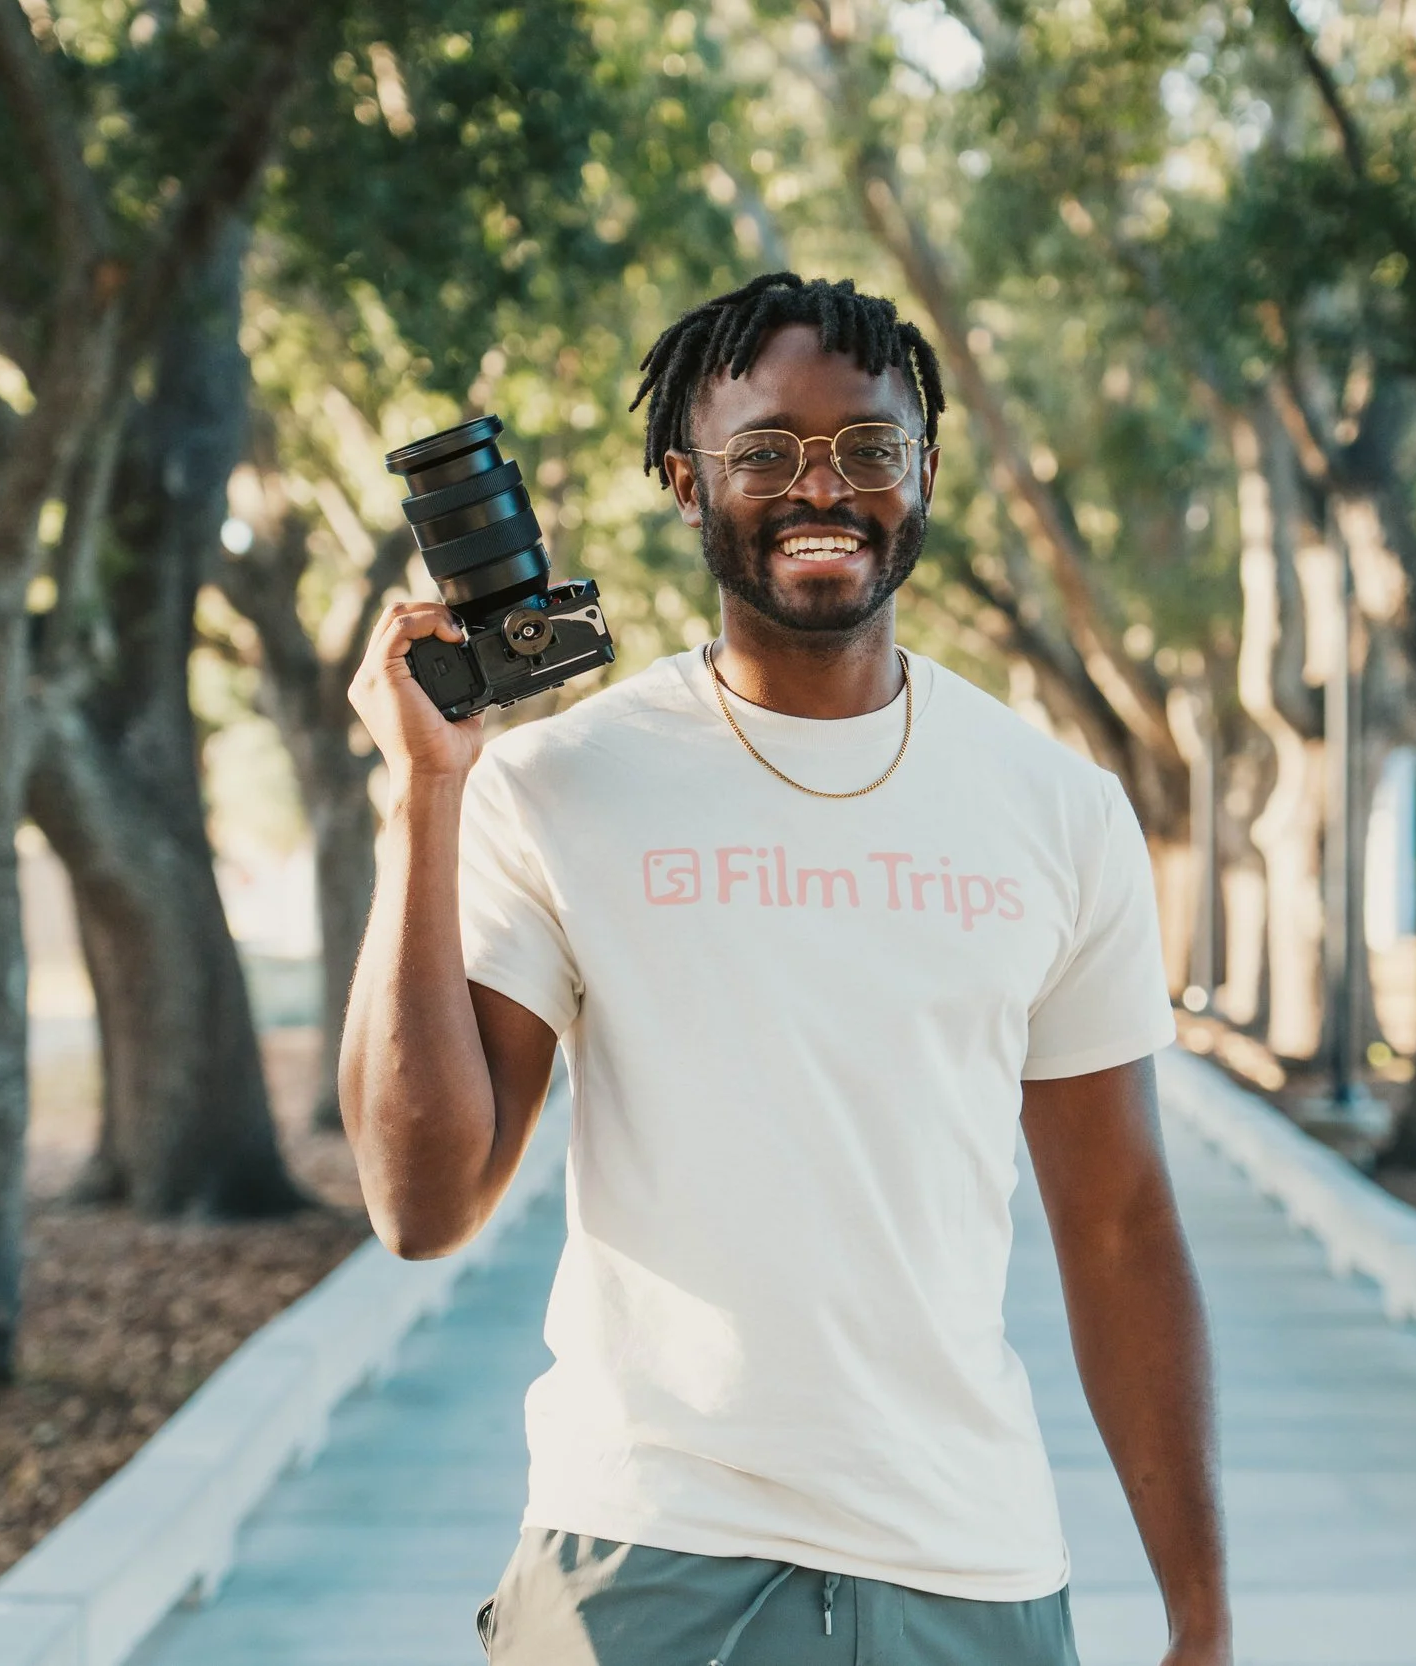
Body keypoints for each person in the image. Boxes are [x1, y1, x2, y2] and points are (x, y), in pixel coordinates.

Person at [340, 273, 1230, 1666]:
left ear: (924, 475)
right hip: (640, 1569)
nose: (824, 487)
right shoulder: (554, 789)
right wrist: (423, 799)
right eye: (765, 452)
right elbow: (422, 1199)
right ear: (687, 487)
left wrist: (1202, 1617)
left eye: (868, 447)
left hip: (966, 1573)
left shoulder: (1056, 810)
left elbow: (1118, 1227)